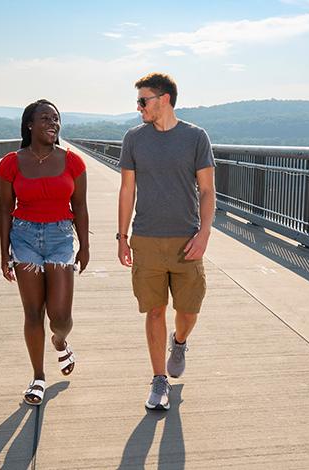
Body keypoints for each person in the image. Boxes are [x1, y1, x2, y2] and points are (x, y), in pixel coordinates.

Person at [117, 73, 215, 410]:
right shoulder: (133, 139)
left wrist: (204, 233)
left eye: (144, 100)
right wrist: (122, 237)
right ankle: (159, 381)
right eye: (138, 101)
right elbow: (127, 189)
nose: (139, 106)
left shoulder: (196, 137)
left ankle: (181, 341)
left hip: (186, 240)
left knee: (188, 311)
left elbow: (206, 190)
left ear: (164, 99)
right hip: (146, 239)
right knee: (154, 311)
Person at [0, 99, 89, 406]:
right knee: (33, 312)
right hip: (23, 238)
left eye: (57, 119)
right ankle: (38, 376)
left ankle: (60, 341)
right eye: (46, 118)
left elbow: (80, 207)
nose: (53, 123)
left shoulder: (72, 162)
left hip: (61, 237)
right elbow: (5, 211)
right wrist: (3, 253)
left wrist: (85, 246)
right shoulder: (11, 163)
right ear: (30, 125)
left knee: (60, 317)